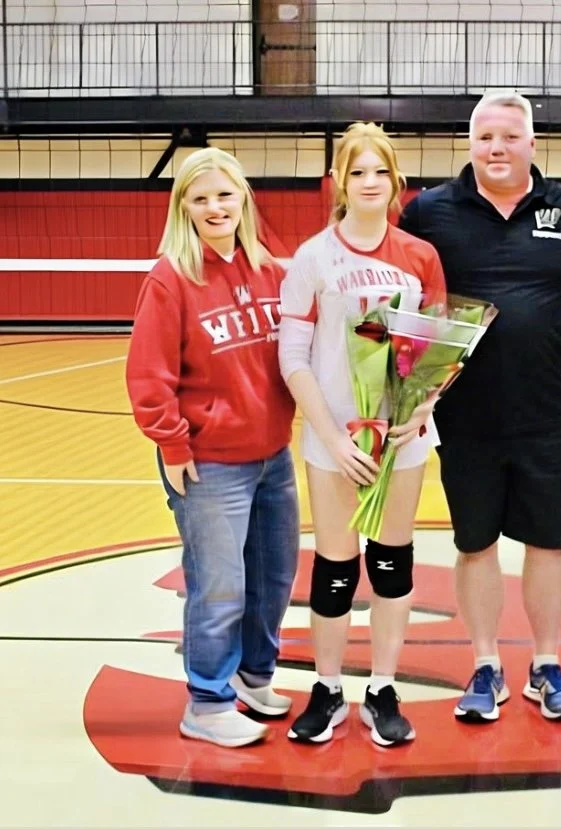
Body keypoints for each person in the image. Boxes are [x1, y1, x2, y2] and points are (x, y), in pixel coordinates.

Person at [399, 91, 561, 723]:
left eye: (510, 137)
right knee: (475, 545)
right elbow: (389, 285)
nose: (497, 148)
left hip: (545, 415)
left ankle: (546, 663)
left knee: (548, 544)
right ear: (470, 144)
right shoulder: (429, 210)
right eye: (486, 137)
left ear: (532, 143)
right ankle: (485, 664)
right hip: (464, 419)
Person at [278, 122, 446, 747]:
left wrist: (421, 407)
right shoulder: (313, 258)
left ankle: (381, 686)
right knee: (335, 566)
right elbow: (293, 357)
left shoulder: (419, 256)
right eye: (357, 172)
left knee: (391, 562)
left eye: (380, 171)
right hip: (334, 441)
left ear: (394, 180)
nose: (370, 183)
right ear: (339, 183)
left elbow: (434, 351)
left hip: (402, 438)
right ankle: (326, 688)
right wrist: (334, 437)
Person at [125, 147, 299, 748]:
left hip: (272, 456)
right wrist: (173, 445)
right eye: (200, 198)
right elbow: (148, 376)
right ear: (184, 208)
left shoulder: (273, 272)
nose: (215, 207)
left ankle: (253, 678)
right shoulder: (171, 278)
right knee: (219, 583)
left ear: (243, 198)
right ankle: (206, 700)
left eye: (225, 194)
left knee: (273, 576)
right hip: (208, 462)